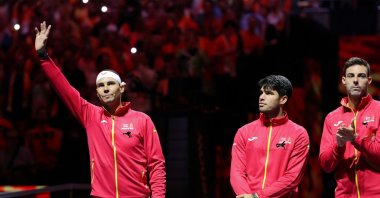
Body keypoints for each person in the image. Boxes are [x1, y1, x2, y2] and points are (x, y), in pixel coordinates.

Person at [35, 21, 166, 197]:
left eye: (110, 84)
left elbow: (157, 164)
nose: (105, 88)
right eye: (101, 85)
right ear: (96, 93)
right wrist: (44, 57)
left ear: (121, 88)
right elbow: (64, 88)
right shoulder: (91, 116)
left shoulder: (142, 120)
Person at [230, 75, 310, 198]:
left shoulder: (298, 134)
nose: (261, 97)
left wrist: (258, 196)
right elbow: (237, 172)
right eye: (261, 93)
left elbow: (292, 177)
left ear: (283, 99)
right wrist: (247, 196)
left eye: (268, 93)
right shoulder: (244, 132)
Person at [319, 57, 380, 197]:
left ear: (369, 81)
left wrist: (355, 139)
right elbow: (326, 166)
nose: (356, 80)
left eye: (361, 76)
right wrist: (339, 145)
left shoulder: (379, 110)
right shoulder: (331, 118)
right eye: (351, 76)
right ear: (344, 80)